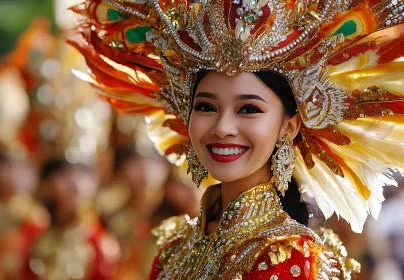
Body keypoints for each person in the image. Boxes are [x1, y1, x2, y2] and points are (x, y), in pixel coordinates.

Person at [68, 0, 404, 279]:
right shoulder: (176, 247)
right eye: (206, 106)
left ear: (288, 126)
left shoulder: (288, 256)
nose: (223, 126)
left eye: (248, 109)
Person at [30, 158, 119, 280]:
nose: (75, 185)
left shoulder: (101, 244)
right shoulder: (30, 234)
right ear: (47, 182)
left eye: (83, 175)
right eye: (64, 174)